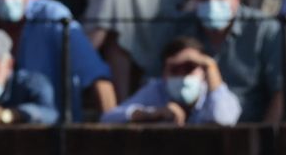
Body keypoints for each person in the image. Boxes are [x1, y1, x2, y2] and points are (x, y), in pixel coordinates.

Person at [172, 0, 282, 123]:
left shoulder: (264, 29)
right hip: (193, 132)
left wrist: (266, 140)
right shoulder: (181, 29)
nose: (212, 4)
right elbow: (159, 83)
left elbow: (281, 91)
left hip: (250, 129)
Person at [100, 35, 242, 124]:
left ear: (203, 71)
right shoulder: (157, 89)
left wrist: (211, 66)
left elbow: (224, 120)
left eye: (189, 67)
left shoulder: (214, 91)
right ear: (164, 73)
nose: (183, 75)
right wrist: (153, 113)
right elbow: (108, 119)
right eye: (175, 69)